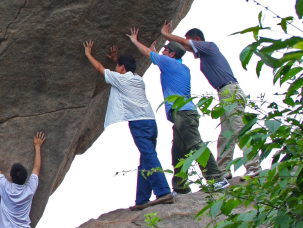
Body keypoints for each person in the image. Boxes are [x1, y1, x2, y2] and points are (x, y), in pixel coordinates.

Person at [127, 28, 228, 193]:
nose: (162, 51)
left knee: (195, 145)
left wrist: (134, 40)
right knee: (179, 152)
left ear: (172, 54)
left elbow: (147, 53)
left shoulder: (168, 63)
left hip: (183, 114)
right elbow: (157, 59)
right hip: (183, 114)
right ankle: (180, 188)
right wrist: (156, 50)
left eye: (165, 50)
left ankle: (217, 178)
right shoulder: (180, 67)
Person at [161, 22, 260, 178]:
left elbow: (183, 43)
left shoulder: (209, 46)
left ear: (197, 39)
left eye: (189, 42)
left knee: (238, 128)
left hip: (230, 91)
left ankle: (254, 165)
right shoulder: (204, 57)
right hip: (224, 93)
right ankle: (222, 170)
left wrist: (166, 35)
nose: (187, 48)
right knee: (226, 133)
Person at [83, 40, 172, 211]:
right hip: (151, 121)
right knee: (146, 157)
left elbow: (100, 68)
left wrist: (88, 54)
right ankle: (142, 200)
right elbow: (119, 71)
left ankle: (163, 192)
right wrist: (117, 59)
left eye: (118, 65)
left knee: (149, 156)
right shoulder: (138, 79)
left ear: (122, 68)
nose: (116, 67)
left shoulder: (120, 80)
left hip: (138, 123)